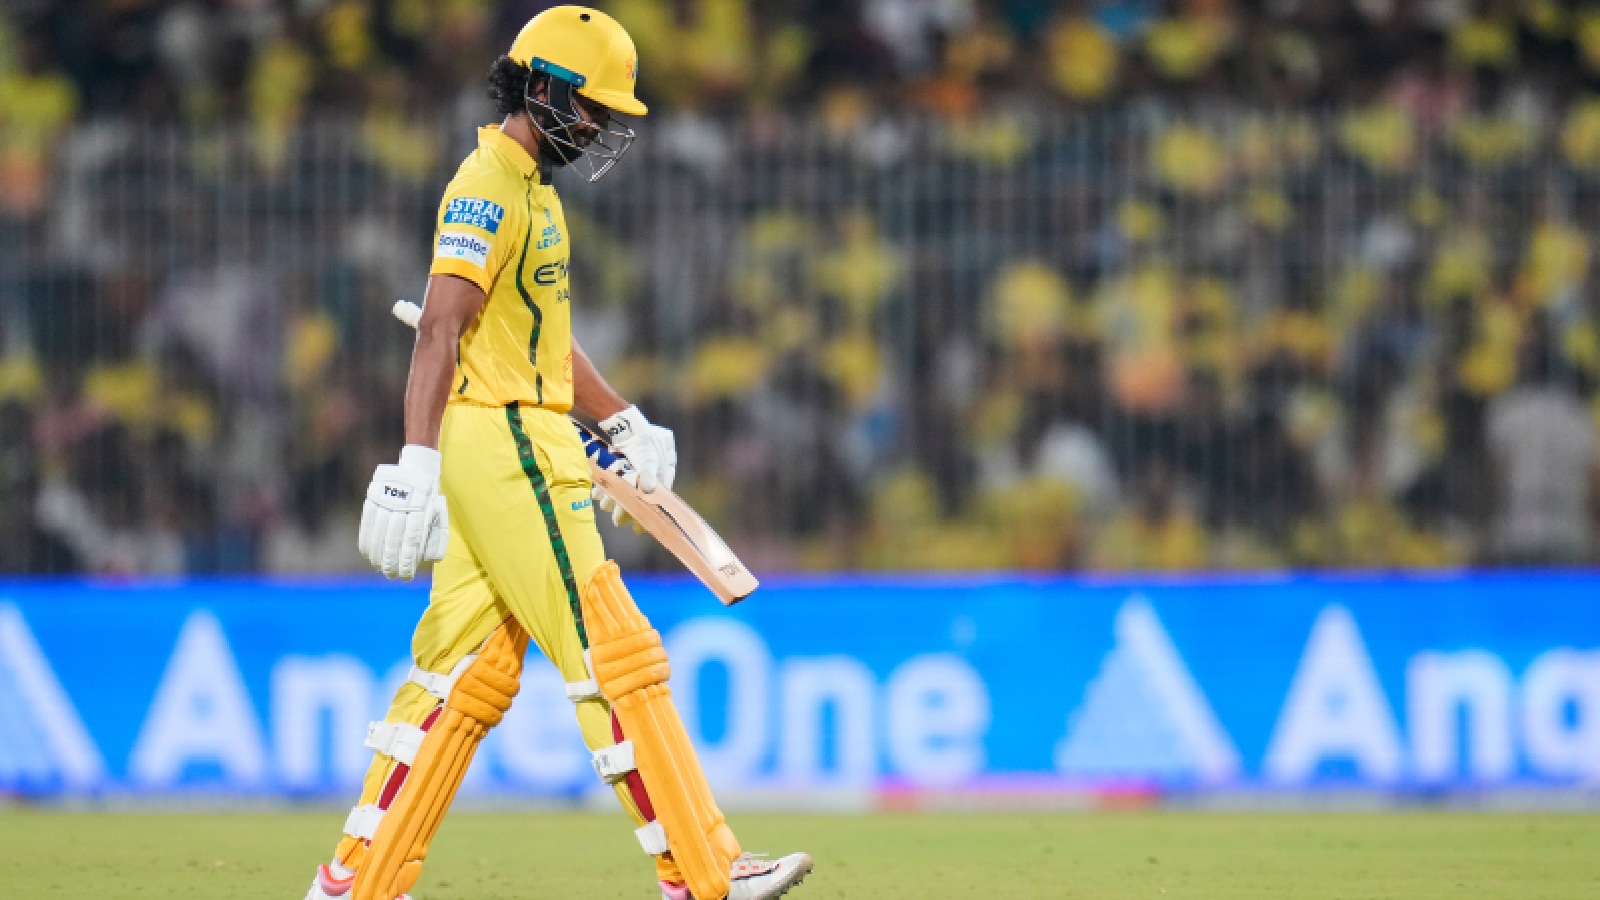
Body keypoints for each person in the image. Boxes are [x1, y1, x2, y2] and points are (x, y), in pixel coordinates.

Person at [305, 9, 812, 900]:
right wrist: (414, 464)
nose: (604, 128)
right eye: (594, 107)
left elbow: (542, 343)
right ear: (540, 88)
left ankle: (354, 884)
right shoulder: (488, 185)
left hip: (517, 432)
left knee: (461, 675)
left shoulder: (532, 188)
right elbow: (440, 328)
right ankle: (704, 874)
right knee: (614, 651)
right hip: (507, 445)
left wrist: (622, 422)